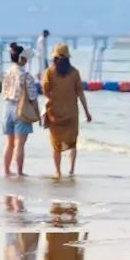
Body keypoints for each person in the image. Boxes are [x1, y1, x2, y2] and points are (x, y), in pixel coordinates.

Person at [41, 42, 93, 179]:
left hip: (54, 114)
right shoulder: (74, 73)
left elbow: (45, 90)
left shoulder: (49, 72)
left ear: (55, 58)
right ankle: (71, 169)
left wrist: (53, 97)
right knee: (72, 142)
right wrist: (87, 112)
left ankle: (57, 171)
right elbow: (81, 94)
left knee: (56, 144)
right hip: (71, 113)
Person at [1, 42, 40, 176]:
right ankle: (19, 172)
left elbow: (3, 91)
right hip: (21, 109)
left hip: (7, 108)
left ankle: (6, 170)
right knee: (20, 144)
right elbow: (33, 97)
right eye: (26, 59)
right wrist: (38, 114)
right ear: (22, 59)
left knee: (9, 143)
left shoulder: (7, 72)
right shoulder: (26, 76)